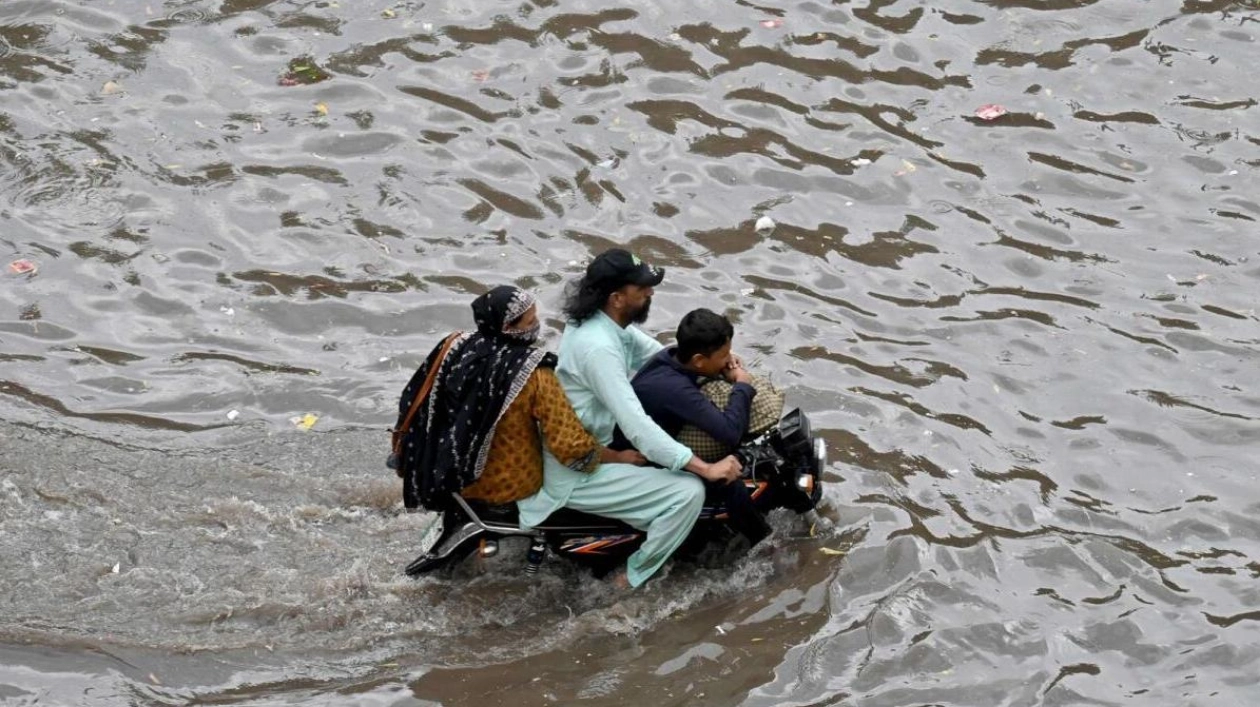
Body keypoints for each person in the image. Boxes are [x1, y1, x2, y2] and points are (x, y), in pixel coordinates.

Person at [516, 249, 743, 588]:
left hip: (594, 443)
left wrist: (715, 362)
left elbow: (656, 354)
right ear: (618, 298)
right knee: (688, 492)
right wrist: (705, 467)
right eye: (643, 289)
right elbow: (637, 425)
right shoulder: (599, 348)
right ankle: (630, 577)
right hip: (575, 472)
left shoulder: (602, 323)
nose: (650, 293)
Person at [393, 285, 643, 513]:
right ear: (508, 328)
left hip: (446, 472)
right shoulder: (533, 373)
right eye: (530, 321)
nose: (537, 325)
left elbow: (414, 397)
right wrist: (619, 458)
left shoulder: (454, 345)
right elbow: (570, 447)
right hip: (506, 484)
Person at [620, 308, 772, 547]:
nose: (728, 359)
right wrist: (742, 384)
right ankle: (765, 546)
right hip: (641, 462)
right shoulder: (675, 389)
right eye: (723, 355)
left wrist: (725, 361)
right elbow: (730, 433)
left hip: (650, 441)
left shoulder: (669, 357)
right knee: (728, 481)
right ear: (699, 360)